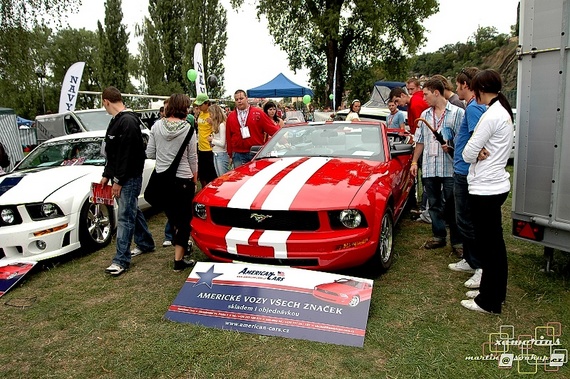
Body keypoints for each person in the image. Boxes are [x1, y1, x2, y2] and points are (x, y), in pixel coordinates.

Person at [460, 69, 513, 314]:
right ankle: (490, 291)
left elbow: (467, 153)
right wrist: (478, 149)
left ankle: (489, 301)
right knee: (493, 244)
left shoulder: (492, 115)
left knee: (490, 246)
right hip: (493, 185)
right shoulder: (501, 111)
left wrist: (477, 150)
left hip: (486, 189)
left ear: (480, 90)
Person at [100, 86, 155, 276]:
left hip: (129, 178)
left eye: (103, 104)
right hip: (121, 177)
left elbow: (128, 156)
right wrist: (107, 175)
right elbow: (112, 154)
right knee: (131, 210)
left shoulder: (129, 122)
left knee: (125, 216)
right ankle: (145, 242)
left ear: (106, 101)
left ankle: (121, 259)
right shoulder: (115, 122)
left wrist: (118, 180)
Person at [410, 78, 464, 252]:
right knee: (433, 204)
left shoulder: (457, 113)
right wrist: (414, 161)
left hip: (450, 167)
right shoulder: (425, 115)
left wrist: (451, 146)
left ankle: (457, 242)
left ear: (436, 92)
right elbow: (420, 141)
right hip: (430, 167)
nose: (423, 98)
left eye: (426, 94)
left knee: (452, 205)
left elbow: (463, 141)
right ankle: (439, 236)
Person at [146, 93, 198, 272]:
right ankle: (178, 260)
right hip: (183, 179)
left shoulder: (156, 126)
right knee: (184, 220)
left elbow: (150, 153)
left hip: (162, 178)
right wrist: (195, 178)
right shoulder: (188, 128)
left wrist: (164, 153)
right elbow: (193, 157)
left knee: (175, 218)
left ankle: (181, 247)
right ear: (184, 108)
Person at [448, 67, 487, 285]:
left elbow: (476, 138)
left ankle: (479, 265)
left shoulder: (472, 108)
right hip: (463, 169)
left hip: (465, 171)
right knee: (462, 217)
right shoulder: (474, 106)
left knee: (465, 219)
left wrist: (477, 153)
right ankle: (470, 260)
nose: (456, 89)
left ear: (465, 85)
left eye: (457, 84)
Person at [226, 89, 280, 168]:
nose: (239, 101)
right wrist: (230, 154)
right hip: (238, 154)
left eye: (241, 98)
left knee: (257, 177)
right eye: (236, 99)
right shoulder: (231, 116)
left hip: (255, 152)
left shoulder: (258, 113)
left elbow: (273, 130)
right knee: (241, 179)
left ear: (246, 98)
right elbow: (228, 136)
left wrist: (283, 138)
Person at [194, 93, 217, 188]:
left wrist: (213, 123)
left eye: (201, 104)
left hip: (210, 149)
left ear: (207, 103)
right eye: (198, 105)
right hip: (201, 148)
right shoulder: (200, 114)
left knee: (211, 176)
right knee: (202, 175)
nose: (199, 106)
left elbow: (218, 129)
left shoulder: (212, 114)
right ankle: (204, 191)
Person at [207, 104, 230, 176]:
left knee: (223, 178)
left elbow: (222, 143)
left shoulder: (222, 125)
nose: (209, 115)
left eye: (210, 113)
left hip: (221, 154)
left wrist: (212, 139)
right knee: (219, 177)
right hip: (216, 153)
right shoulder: (217, 125)